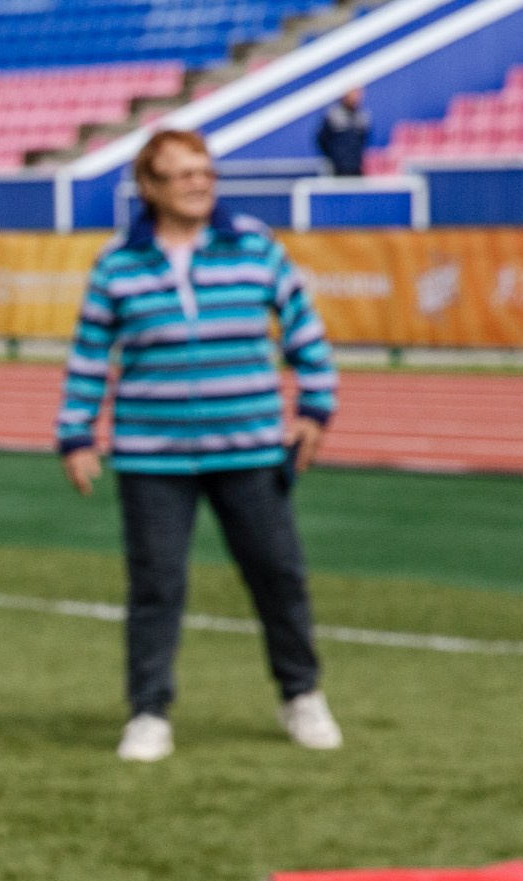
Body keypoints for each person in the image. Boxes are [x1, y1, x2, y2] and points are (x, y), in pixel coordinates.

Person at [58, 127, 344, 764]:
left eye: (206, 171)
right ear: (150, 186)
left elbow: (305, 330)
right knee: (157, 587)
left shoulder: (254, 246)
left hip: (252, 449)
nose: (199, 182)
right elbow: (89, 357)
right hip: (151, 455)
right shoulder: (117, 263)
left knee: (278, 577)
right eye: (183, 173)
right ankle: (149, 711)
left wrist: (316, 409)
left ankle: (302, 694)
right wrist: (77, 433)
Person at [317, 86, 370, 178]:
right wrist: (335, 157)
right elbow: (322, 139)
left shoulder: (362, 117)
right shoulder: (333, 116)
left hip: (356, 168)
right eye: (352, 94)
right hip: (337, 169)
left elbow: (363, 140)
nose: (355, 98)